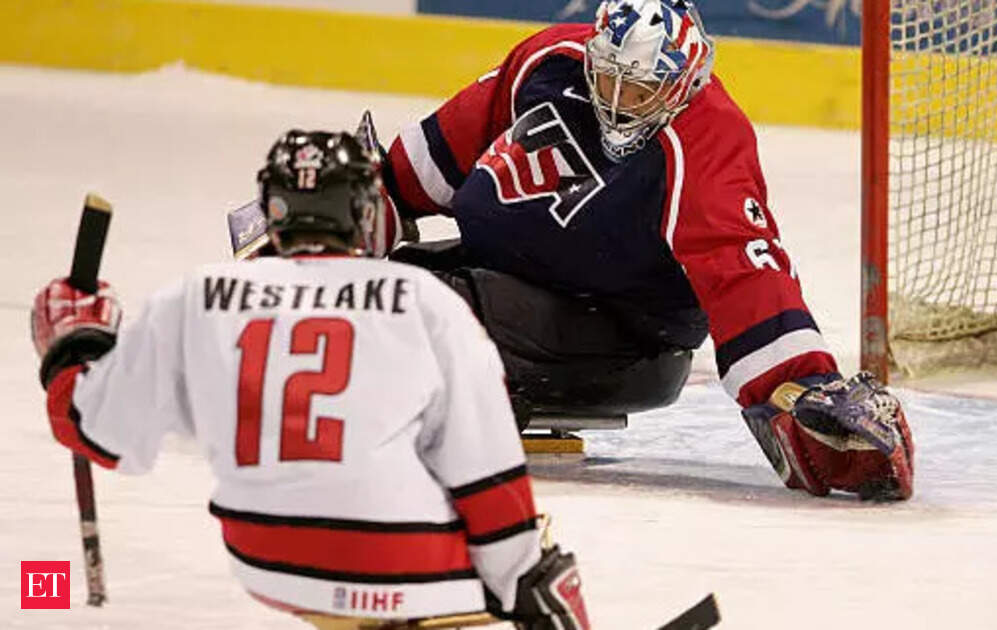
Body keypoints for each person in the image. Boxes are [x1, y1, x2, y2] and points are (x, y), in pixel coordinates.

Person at [30, 131, 590, 629]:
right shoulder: (427, 302)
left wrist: (76, 342)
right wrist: (522, 580)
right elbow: (486, 472)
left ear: (272, 211)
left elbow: (93, 426)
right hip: (390, 561)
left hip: (264, 559)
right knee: (535, 563)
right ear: (363, 212)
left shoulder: (198, 296)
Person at [359, 0, 915, 501]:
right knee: (389, 286)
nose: (619, 102)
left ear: (680, 85)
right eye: (609, 80)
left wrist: (805, 389)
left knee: (420, 308)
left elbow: (743, 271)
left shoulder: (705, 139)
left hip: (620, 334)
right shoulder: (551, 61)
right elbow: (444, 148)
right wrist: (360, 202)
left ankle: (409, 405)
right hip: (521, 278)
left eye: (641, 90)